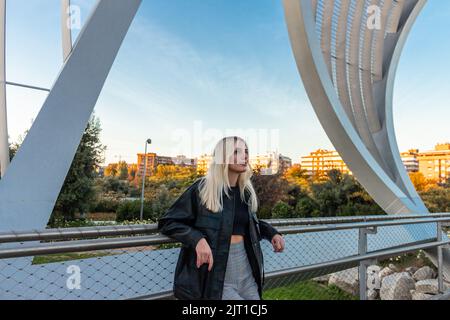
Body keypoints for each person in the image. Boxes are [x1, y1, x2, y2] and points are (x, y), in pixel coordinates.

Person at [158, 136, 285, 300]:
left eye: (246, 151)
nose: (244, 156)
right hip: (218, 277)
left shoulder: (245, 192)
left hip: (246, 273)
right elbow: (169, 222)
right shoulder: (203, 189)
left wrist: (271, 232)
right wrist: (197, 239)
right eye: (237, 152)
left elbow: (246, 225)